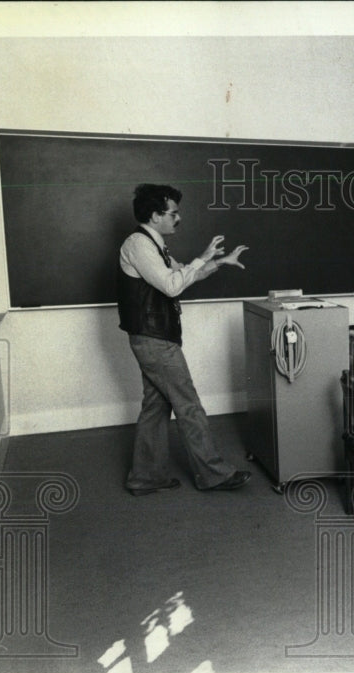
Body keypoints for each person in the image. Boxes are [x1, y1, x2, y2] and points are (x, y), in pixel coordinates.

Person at [117, 184, 251, 495]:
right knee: (188, 406)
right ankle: (213, 474)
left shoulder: (153, 243)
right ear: (155, 215)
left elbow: (185, 275)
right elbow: (172, 286)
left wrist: (218, 262)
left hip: (152, 337)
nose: (179, 218)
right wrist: (201, 258)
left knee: (155, 406)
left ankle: (144, 477)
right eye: (173, 213)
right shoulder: (139, 245)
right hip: (154, 340)